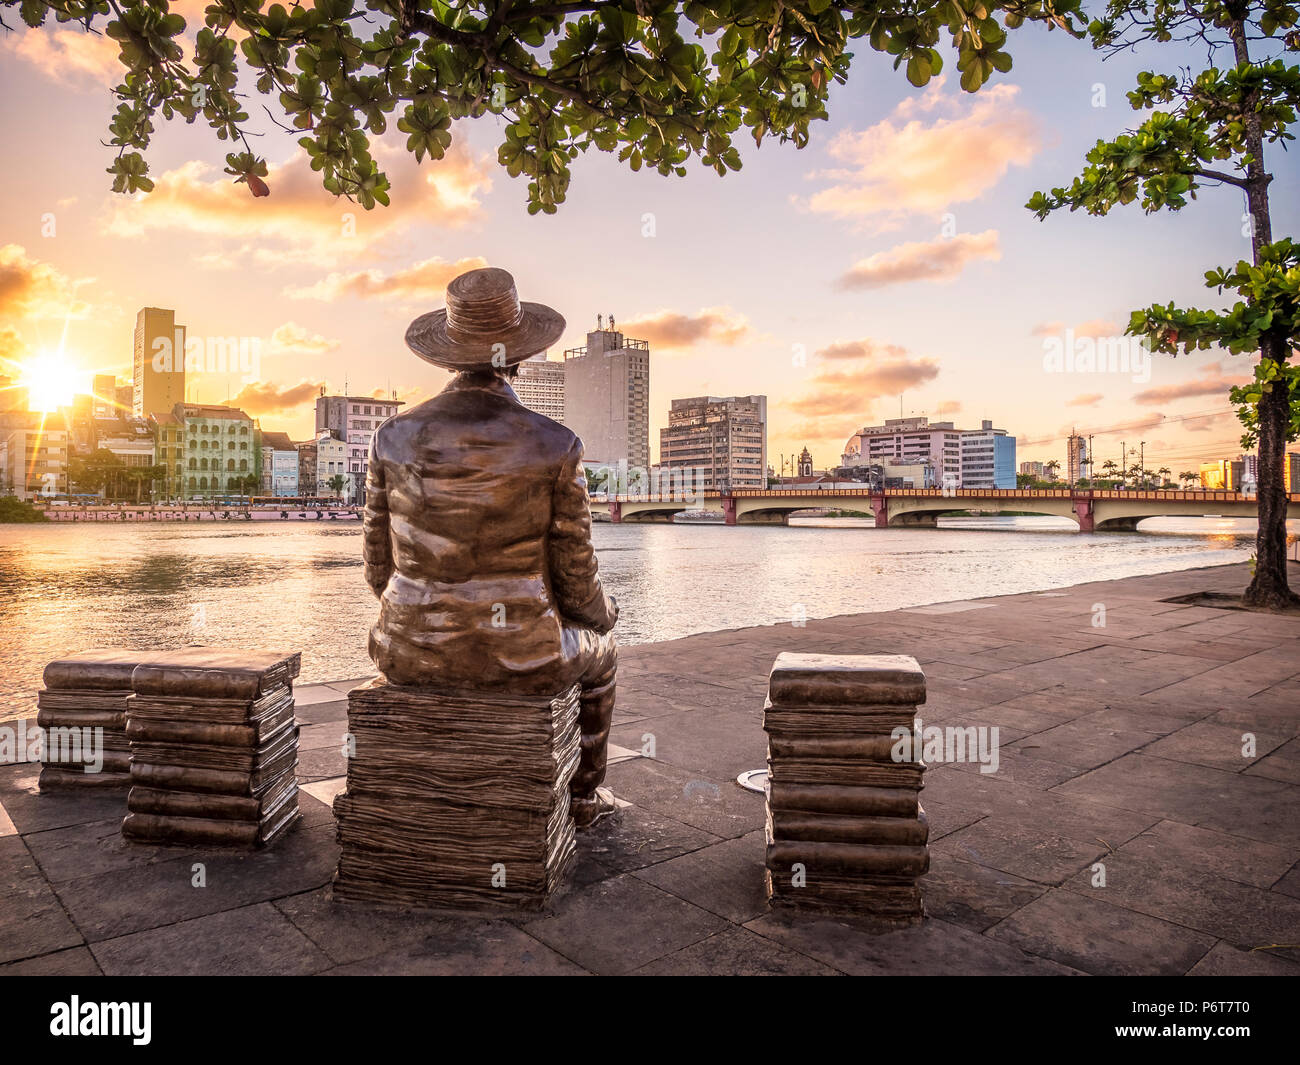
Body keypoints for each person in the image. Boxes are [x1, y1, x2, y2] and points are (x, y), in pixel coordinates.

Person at [361, 267, 619, 829]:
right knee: (603, 658)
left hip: (406, 643)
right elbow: (575, 573)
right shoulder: (554, 443)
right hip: (521, 650)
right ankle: (582, 797)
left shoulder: (391, 437)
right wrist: (603, 618)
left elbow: (377, 567)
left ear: (447, 359)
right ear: (520, 358)